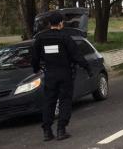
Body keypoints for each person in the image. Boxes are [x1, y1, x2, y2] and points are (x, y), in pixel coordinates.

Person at [31, 12, 92, 141]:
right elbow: (76, 55)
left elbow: (35, 56)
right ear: (60, 23)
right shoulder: (65, 37)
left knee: (49, 102)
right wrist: (87, 68)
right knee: (65, 101)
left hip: (50, 74)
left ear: (49, 24)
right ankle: (61, 130)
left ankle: (47, 131)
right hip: (65, 74)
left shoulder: (41, 38)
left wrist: (35, 68)